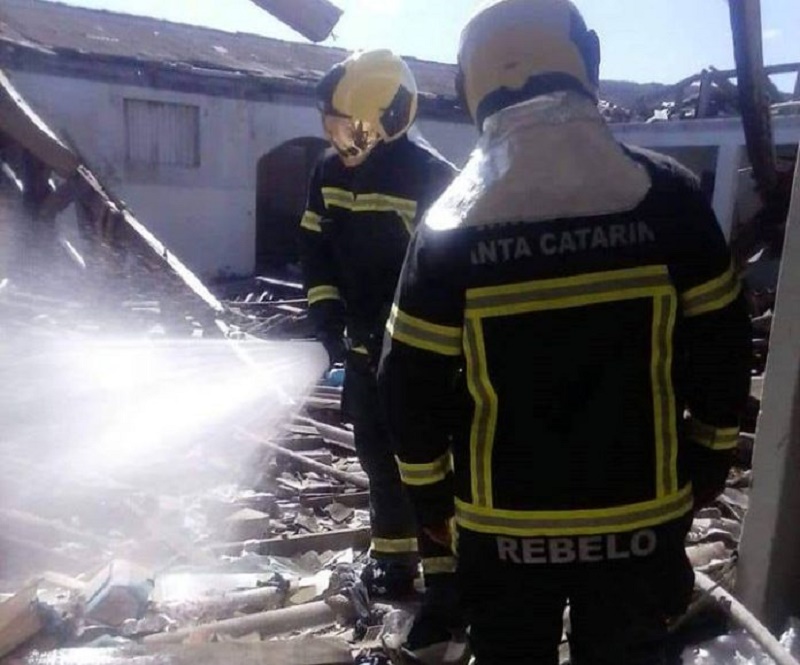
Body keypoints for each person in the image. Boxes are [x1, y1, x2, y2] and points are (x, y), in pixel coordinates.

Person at [378, 1, 752, 663]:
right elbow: (723, 350)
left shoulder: (447, 229)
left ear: (473, 87)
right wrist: (708, 458)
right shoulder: (670, 199)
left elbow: (406, 387)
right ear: (588, 61)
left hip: (502, 534)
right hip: (641, 523)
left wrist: (434, 503)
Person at [298, 49, 462, 653]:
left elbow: (445, 278)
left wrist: (399, 334)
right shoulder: (328, 173)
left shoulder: (434, 178)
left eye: (353, 128)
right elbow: (315, 246)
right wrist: (328, 315)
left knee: (428, 465)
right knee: (374, 455)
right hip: (361, 343)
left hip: (421, 351)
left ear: (392, 116)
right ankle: (395, 561)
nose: (343, 141)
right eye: (334, 128)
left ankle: (447, 584)